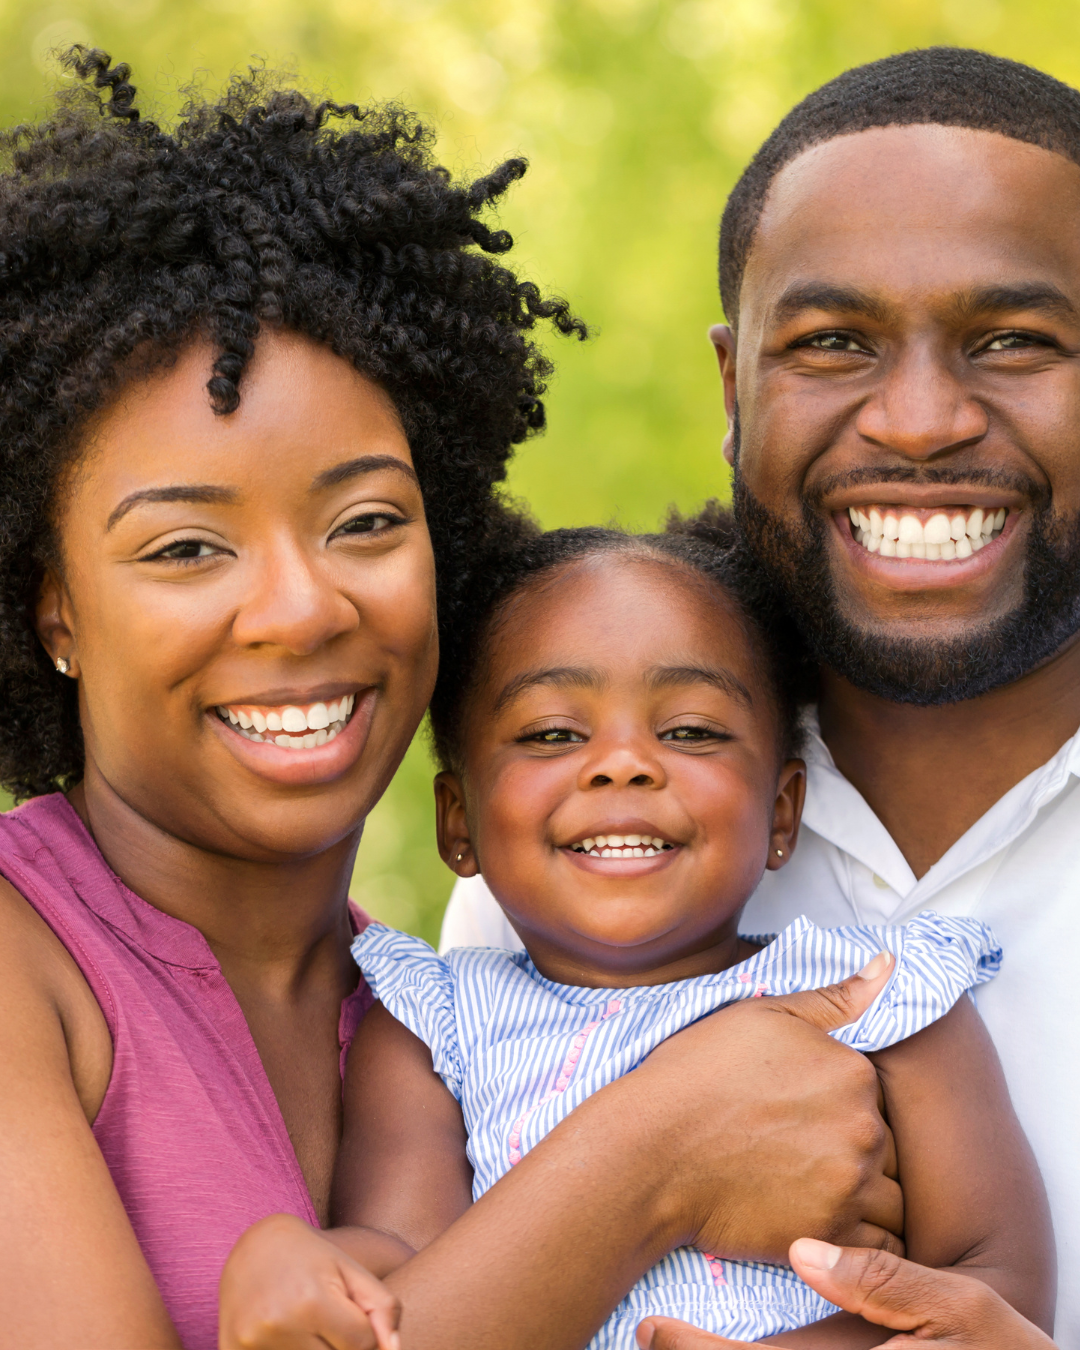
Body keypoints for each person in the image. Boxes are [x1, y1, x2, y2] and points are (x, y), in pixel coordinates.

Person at [0, 47, 925, 1350]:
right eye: (186, 547)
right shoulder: (23, 961)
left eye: (366, 519)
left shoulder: (451, 1006)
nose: (302, 607)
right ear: (54, 607)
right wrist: (659, 1152)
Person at [442, 46, 1080, 1345]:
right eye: (833, 341)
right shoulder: (572, 855)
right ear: (734, 391)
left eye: (1013, 338)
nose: (915, 420)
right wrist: (660, 1144)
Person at [218, 510, 1051, 1347]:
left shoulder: (885, 1004)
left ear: (782, 812)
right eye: (552, 733)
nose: (623, 762)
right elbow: (411, 1274)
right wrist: (286, 1257)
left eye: (690, 730)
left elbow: (994, 1284)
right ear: (457, 822)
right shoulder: (435, 1033)